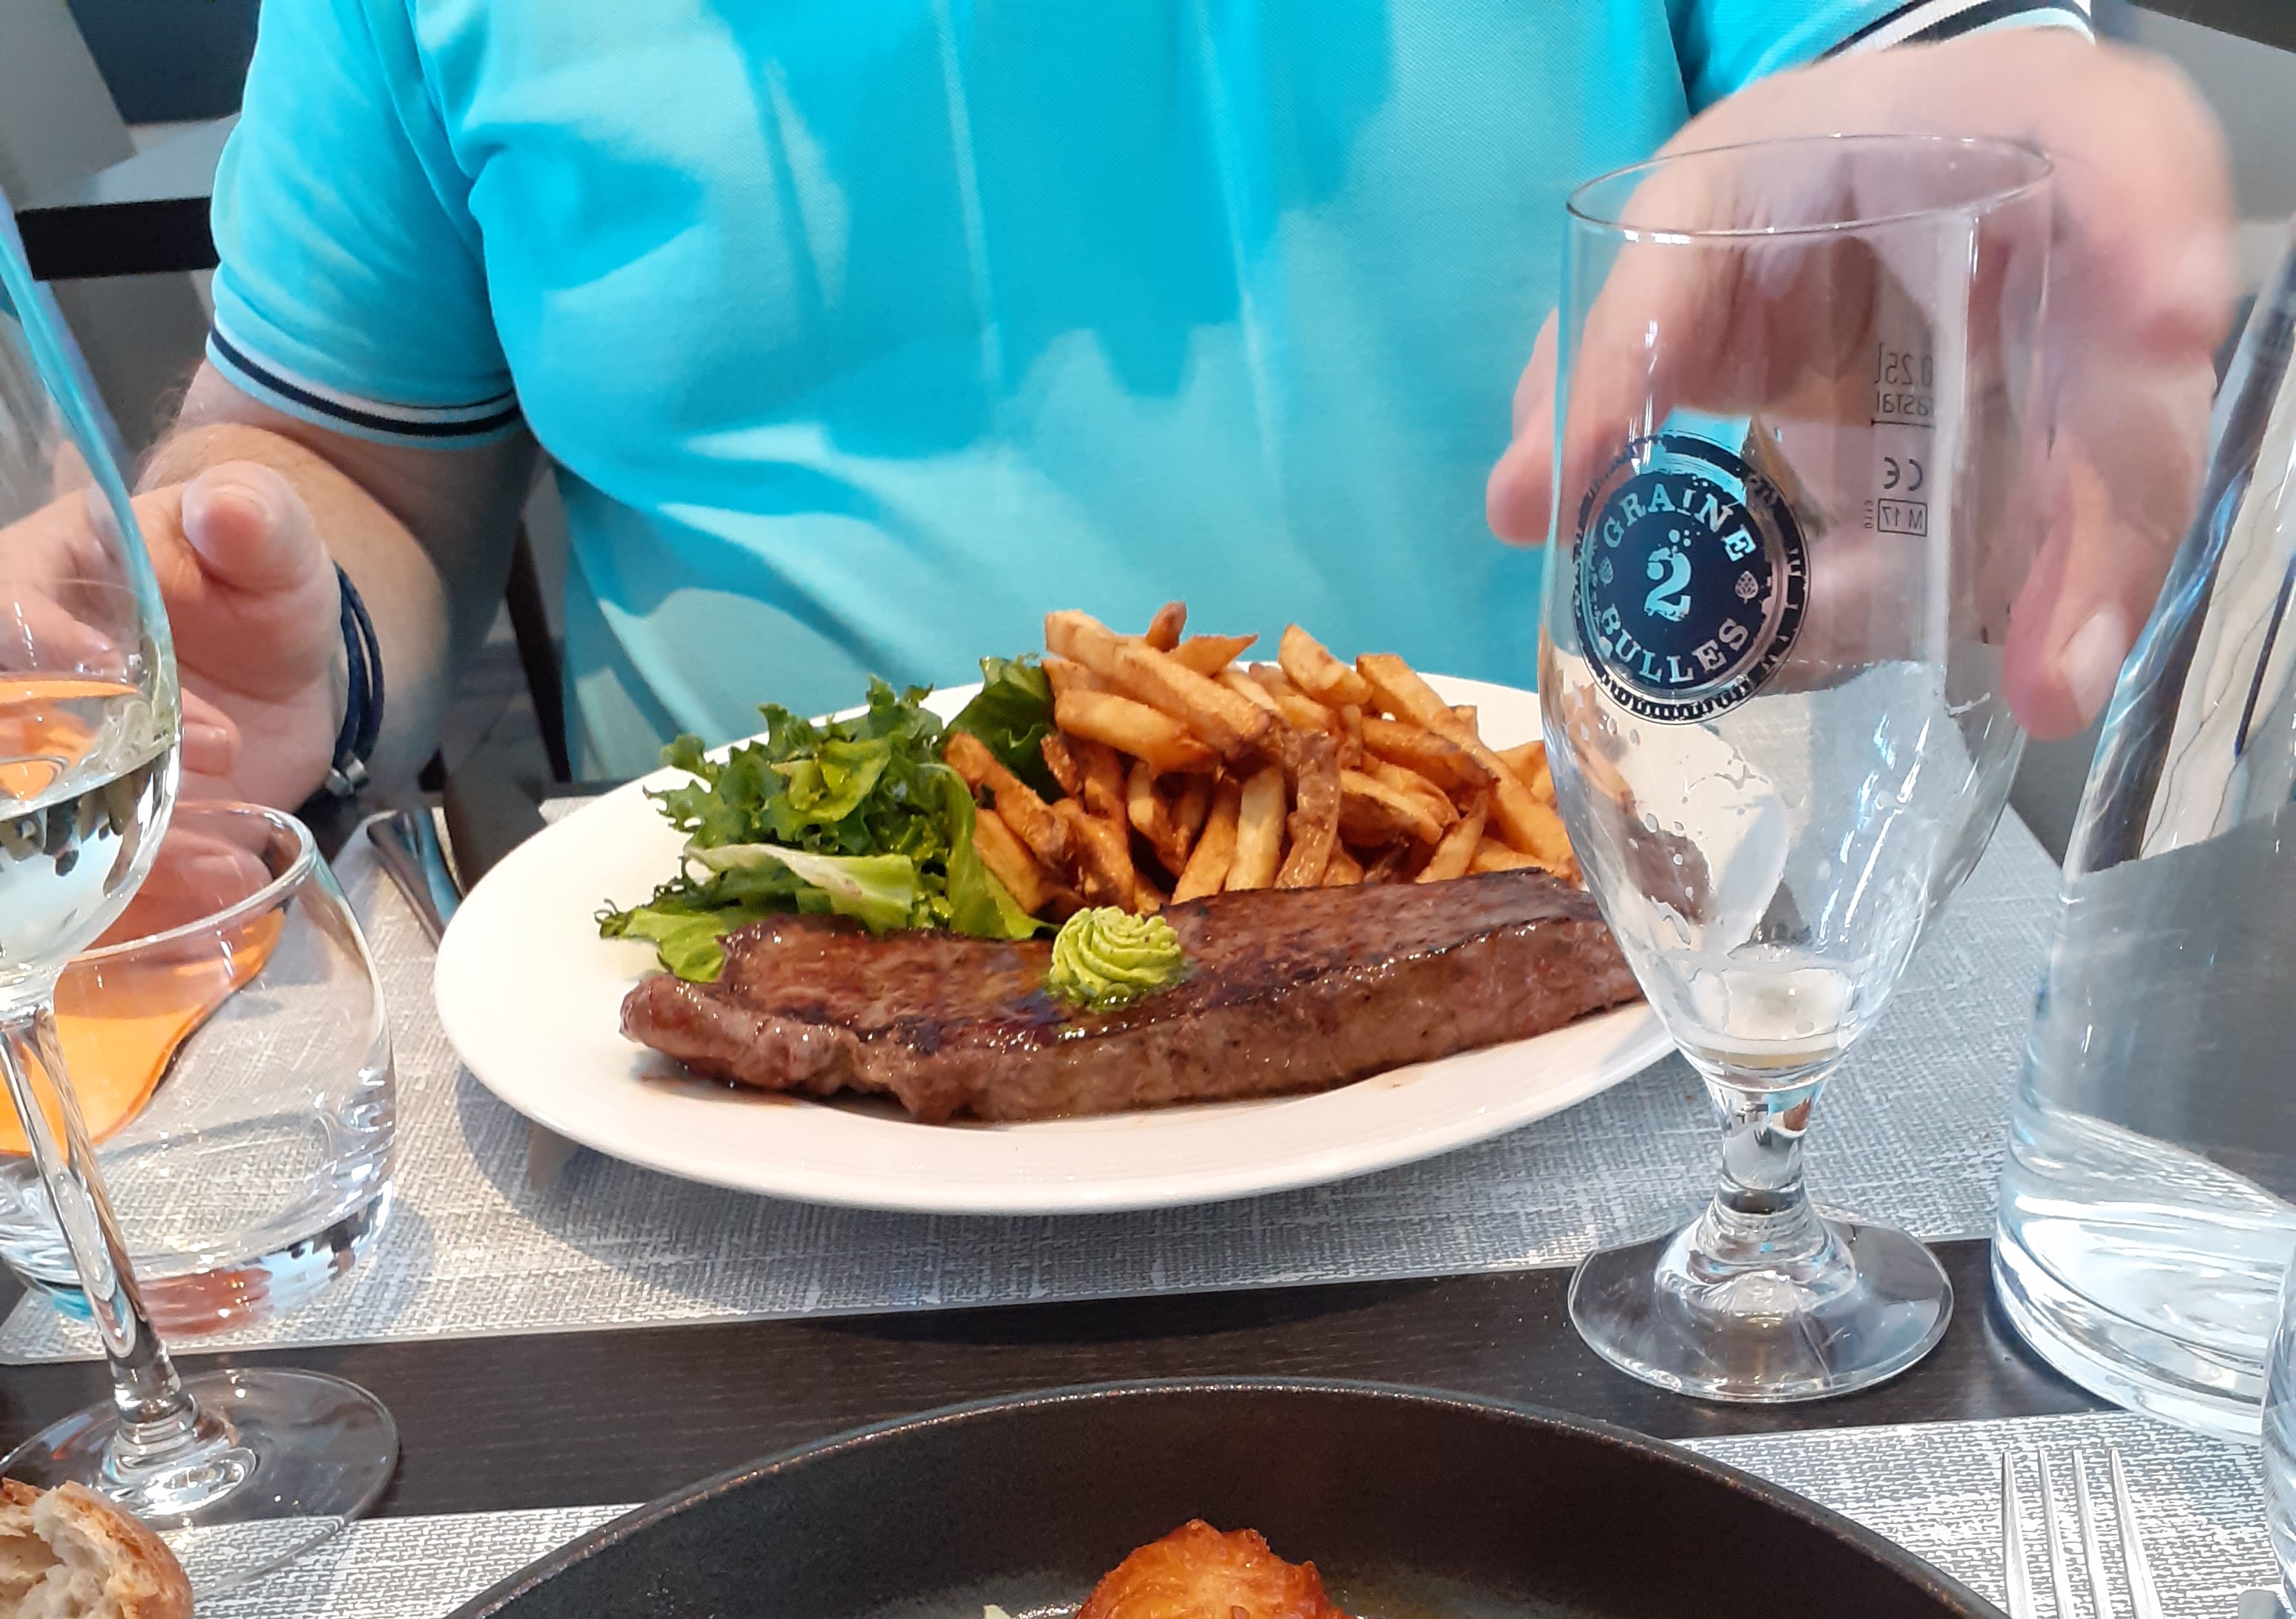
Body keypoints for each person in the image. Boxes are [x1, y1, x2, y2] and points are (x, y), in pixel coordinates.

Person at [128, 2, 2233, 810]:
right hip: (732, 1067)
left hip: (1593, 1004)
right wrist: (272, 637)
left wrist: (1971, 182)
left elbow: (1905, 103)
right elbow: (343, 458)